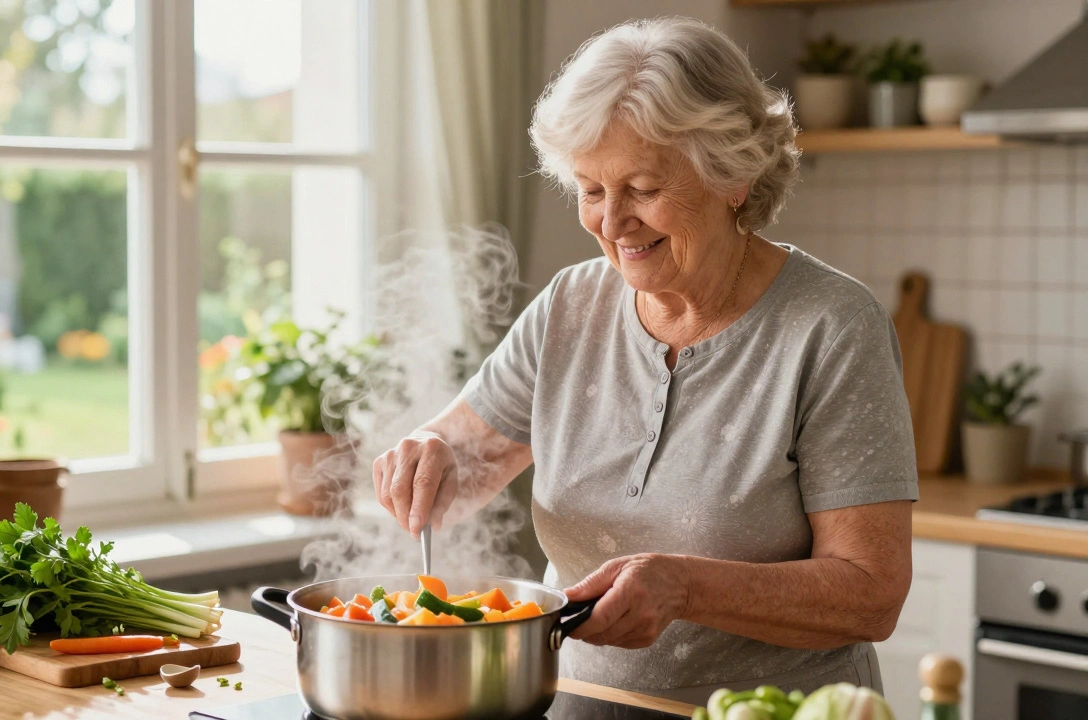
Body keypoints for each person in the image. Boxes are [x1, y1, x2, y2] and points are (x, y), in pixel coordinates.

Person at [372, 16, 916, 704]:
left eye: (643, 189)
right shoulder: (570, 306)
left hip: (763, 714)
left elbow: (871, 595)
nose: (611, 221)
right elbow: (462, 462)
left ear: (734, 176)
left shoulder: (832, 328)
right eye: (590, 190)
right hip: (574, 706)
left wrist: (685, 586)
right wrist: (429, 457)